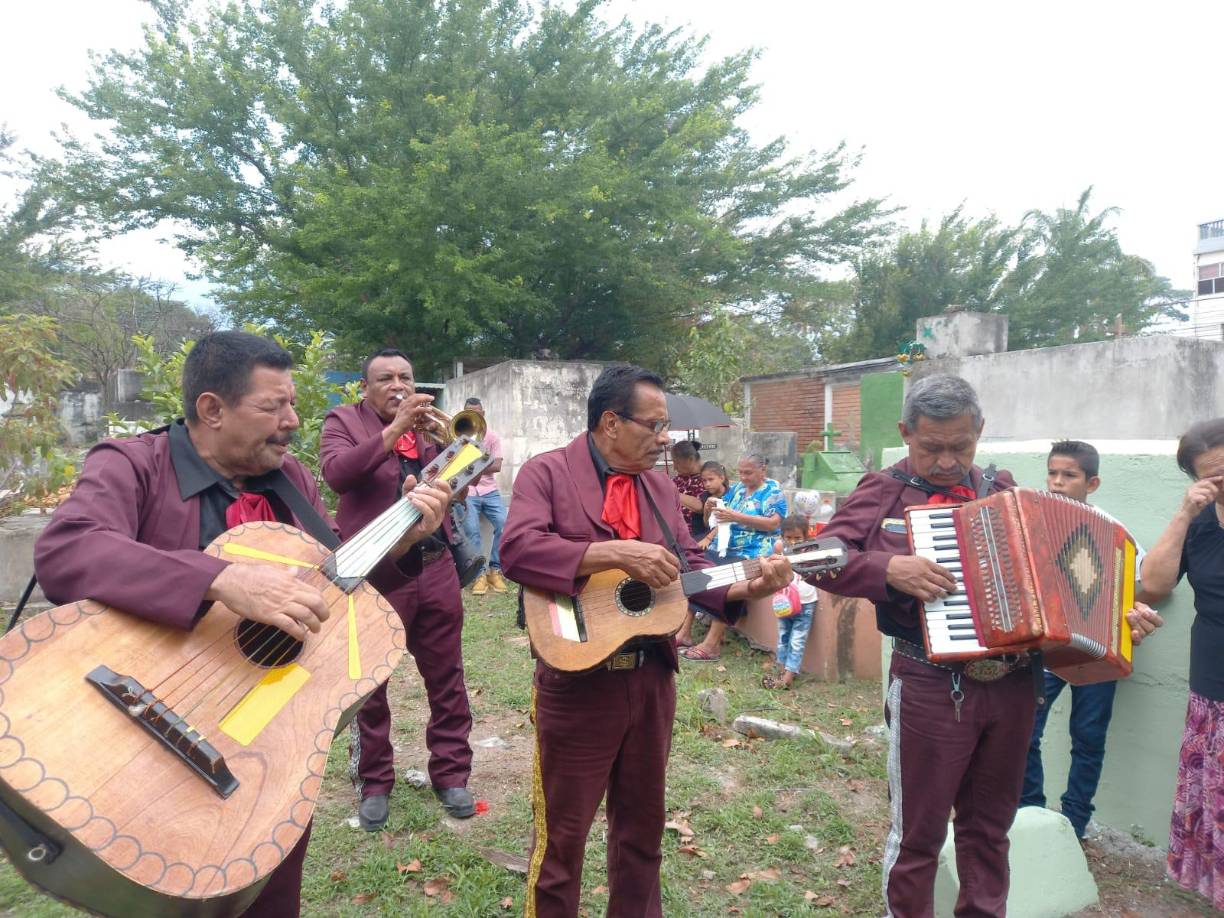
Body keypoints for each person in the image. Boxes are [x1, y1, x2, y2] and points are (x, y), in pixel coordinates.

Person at [32, 331, 450, 917]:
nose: (292, 421)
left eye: (293, 404)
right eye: (272, 406)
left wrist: (401, 542)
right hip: (141, 727)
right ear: (212, 409)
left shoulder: (295, 485)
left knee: (268, 899)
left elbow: (333, 593)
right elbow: (66, 552)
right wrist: (217, 579)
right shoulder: (133, 465)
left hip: (264, 746)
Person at [813, 374, 1160, 918]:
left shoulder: (1006, 496)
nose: (948, 460)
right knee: (918, 836)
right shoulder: (882, 490)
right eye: (932, 447)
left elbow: (1061, 590)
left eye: (961, 445)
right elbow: (818, 559)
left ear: (980, 431)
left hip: (1015, 687)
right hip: (929, 684)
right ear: (906, 432)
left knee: (992, 831)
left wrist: (1118, 617)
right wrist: (887, 567)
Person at [500, 363, 792, 917]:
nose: (666, 440)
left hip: (652, 680)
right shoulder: (548, 473)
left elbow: (694, 571)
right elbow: (515, 551)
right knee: (563, 842)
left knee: (641, 834)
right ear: (611, 422)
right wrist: (610, 552)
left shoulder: (658, 486)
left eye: (668, 429)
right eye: (655, 426)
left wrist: (748, 583)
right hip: (576, 681)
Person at [321, 348, 476, 829]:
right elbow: (337, 474)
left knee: (446, 675)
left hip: (435, 562)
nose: (398, 386)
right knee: (370, 681)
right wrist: (393, 431)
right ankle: (375, 783)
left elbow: (460, 487)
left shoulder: (431, 431)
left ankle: (452, 774)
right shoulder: (344, 420)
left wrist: (458, 463)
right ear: (366, 389)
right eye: (385, 379)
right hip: (375, 569)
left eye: (405, 377)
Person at [1020, 440, 1137, 839]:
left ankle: (1074, 825)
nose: (1056, 482)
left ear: (1093, 482)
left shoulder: (1113, 530)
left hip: (1095, 651)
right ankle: (1030, 813)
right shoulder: (1036, 522)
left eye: (1068, 475)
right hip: (1047, 650)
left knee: (1088, 738)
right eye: (1052, 473)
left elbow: (1137, 587)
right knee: (1025, 729)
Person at [1139, 417, 1224, 911]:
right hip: (1213, 687)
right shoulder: (1201, 524)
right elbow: (1155, 584)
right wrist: (1183, 514)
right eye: (1212, 478)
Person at [680, 453, 786, 663]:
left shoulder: (773, 490)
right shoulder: (737, 489)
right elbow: (718, 520)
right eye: (741, 473)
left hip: (755, 549)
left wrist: (736, 517)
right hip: (727, 546)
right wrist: (709, 510)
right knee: (698, 568)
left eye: (749, 473)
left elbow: (774, 523)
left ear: (762, 470)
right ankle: (685, 631)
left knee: (727, 574)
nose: (744, 477)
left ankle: (712, 644)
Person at [675, 460, 731, 648]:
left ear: (722, 477)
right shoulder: (705, 496)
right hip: (714, 540)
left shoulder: (733, 495)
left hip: (726, 541)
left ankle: (709, 636)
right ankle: (685, 630)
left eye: (710, 479)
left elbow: (726, 521)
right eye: (704, 480)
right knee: (694, 571)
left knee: (717, 572)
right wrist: (707, 510)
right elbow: (709, 523)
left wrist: (708, 539)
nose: (706, 484)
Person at [762, 514, 819, 690]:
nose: (792, 542)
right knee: (783, 637)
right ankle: (781, 668)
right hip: (784, 602)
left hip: (805, 603)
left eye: (797, 538)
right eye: (788, 538)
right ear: (782, 536)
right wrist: (778, 550)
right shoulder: (780, 551)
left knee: (797, 641)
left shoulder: (811, 551)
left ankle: (788, 677)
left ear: (806, 537)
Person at [460, 396, 509, 596]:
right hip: (468, 491)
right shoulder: (458, 434)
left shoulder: (493, 437)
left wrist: (474, 461)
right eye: (470, 414)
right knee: (471, 529)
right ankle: (478, 574)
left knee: (505, 524)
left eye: (478, 414)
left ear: (483, 414)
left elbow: (497, 465)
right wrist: (484, 460)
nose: (474, 418)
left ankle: (494, 570)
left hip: (489, 491)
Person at [670, 440, 707, 540]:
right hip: (673, 533)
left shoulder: (708, 478)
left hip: (697, 536)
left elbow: (701, 506)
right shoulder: (678, 479)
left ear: (690, 460)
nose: (674, 467)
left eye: (676, 462)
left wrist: (671, 492)